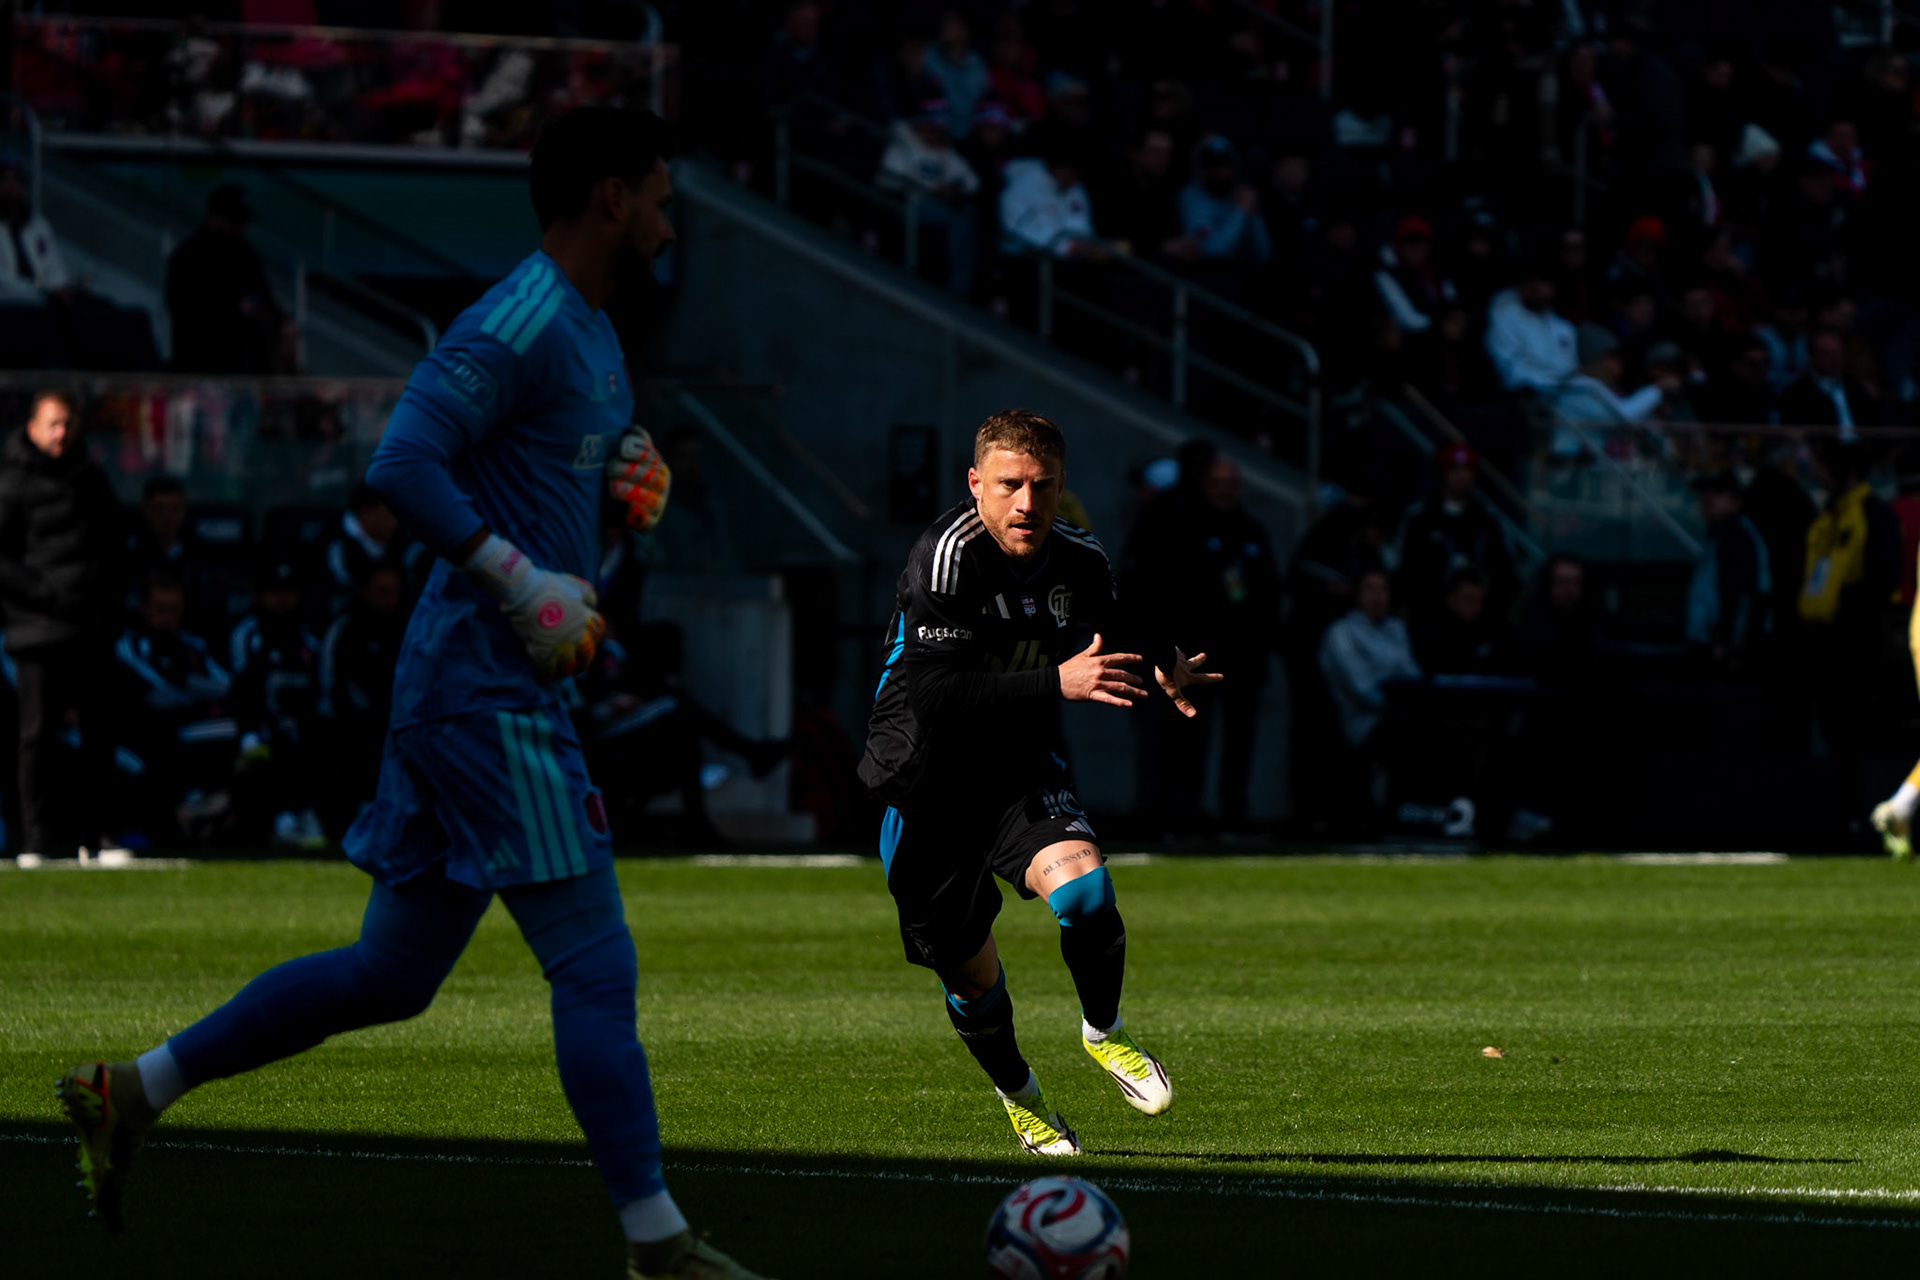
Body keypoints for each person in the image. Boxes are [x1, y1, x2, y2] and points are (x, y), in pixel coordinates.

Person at [54, 108, 770, 1280]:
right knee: (593, 963)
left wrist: (626, 480)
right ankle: (659, 1245)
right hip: (486, 690)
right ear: (608, 198)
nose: (667, 216)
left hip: (473, 681)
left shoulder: (592, 334)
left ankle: (128, 1088)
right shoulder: (519, 315)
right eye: (658, 194)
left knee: (392, 973)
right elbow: (401, 461)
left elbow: (550, 470)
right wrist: (521, 577)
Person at [858, 408, 1218, 1158]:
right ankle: (1023, 1099)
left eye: (1043, 486)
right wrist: (1056, 681)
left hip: (1014, 767)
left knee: (1086, 894)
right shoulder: (947, 557)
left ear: (1061, 487)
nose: (1027, 503)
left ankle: (1105, 1033)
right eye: (1010, 485)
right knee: (970, 977)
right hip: (923, 780)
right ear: (976, 485)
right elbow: (934, 696)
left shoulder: (1077, 556)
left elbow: (1114, 614)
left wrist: (1162, 660)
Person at [0, 390, 128, 867]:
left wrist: (106, 602)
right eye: (53, 424)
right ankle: (35, 840)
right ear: (31, 427)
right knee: (34, 735)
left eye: (68, 424)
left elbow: (114, 546)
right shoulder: (11, 482)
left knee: (100, 734)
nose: (61, 433)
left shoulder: (91, 479)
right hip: (37, 626)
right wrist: (42, 593)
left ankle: (98, 837)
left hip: (89, 626)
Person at [112, 572, 235, 843]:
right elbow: (153, 694)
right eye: (159, 608)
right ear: (143, 608)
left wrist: (185, 684)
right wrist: (188, 687)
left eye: (173, 609)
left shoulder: (193, 647)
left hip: (188, 730)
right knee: (153, 735)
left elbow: (227, 687)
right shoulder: (129, 645)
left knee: (241, 731)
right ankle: (182, 812)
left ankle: (204, 807)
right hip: (138, 735)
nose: (165, 617)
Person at [228, 554, 325, 849]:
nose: (282, 599)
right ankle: (283, 821)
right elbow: (241, 692)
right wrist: (250, 733)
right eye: (274, 592)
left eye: (288, 591)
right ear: (260, 594)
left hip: (300, 730)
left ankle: (311, 815)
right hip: (257, 729)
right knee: (266, 744)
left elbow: (320, 696)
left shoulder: (308, 640)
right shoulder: (248, 635)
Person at [164, 184, 288, 376]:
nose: (240, 228)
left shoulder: (246, 255)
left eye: (242, 221)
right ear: (214, 217)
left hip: (246, 365)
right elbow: (185, 311)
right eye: (234, 221)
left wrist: (278, 320)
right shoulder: (188, 257)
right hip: (201, 366)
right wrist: (234, 310)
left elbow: (265, 297)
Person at [1394, 442, 1518, 624]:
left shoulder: (1488, 518)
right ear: (1442, 472)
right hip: (1428, 615)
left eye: (1467, 469)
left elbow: (1506, 568)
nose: (1462, 475)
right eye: (1454, 469)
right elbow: (1403, 564)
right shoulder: (1419, 517)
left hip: (1479, 617)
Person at [876, 98, 980, 294]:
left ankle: (958, 285)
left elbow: (972, 182)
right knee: (960, 219)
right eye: (932, 126)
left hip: (939, 205)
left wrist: (953, 188)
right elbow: (888, 179)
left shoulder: (945, 151)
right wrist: (930, 189)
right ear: (921, 123)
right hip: (910, 203)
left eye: (940, 128)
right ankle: (955, 285)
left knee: (967, 214)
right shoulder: (902, 144)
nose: (936, 132)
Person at [1686, 471, 1772, 669]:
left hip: (1725, 653)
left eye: (1717, 492)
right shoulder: (1719, 535)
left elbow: (1743, 596)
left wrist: (1728, 644)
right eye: (1704, 492)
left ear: (1736, 501)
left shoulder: (1736, 536)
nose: (1708, 498)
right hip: (1713, 645)